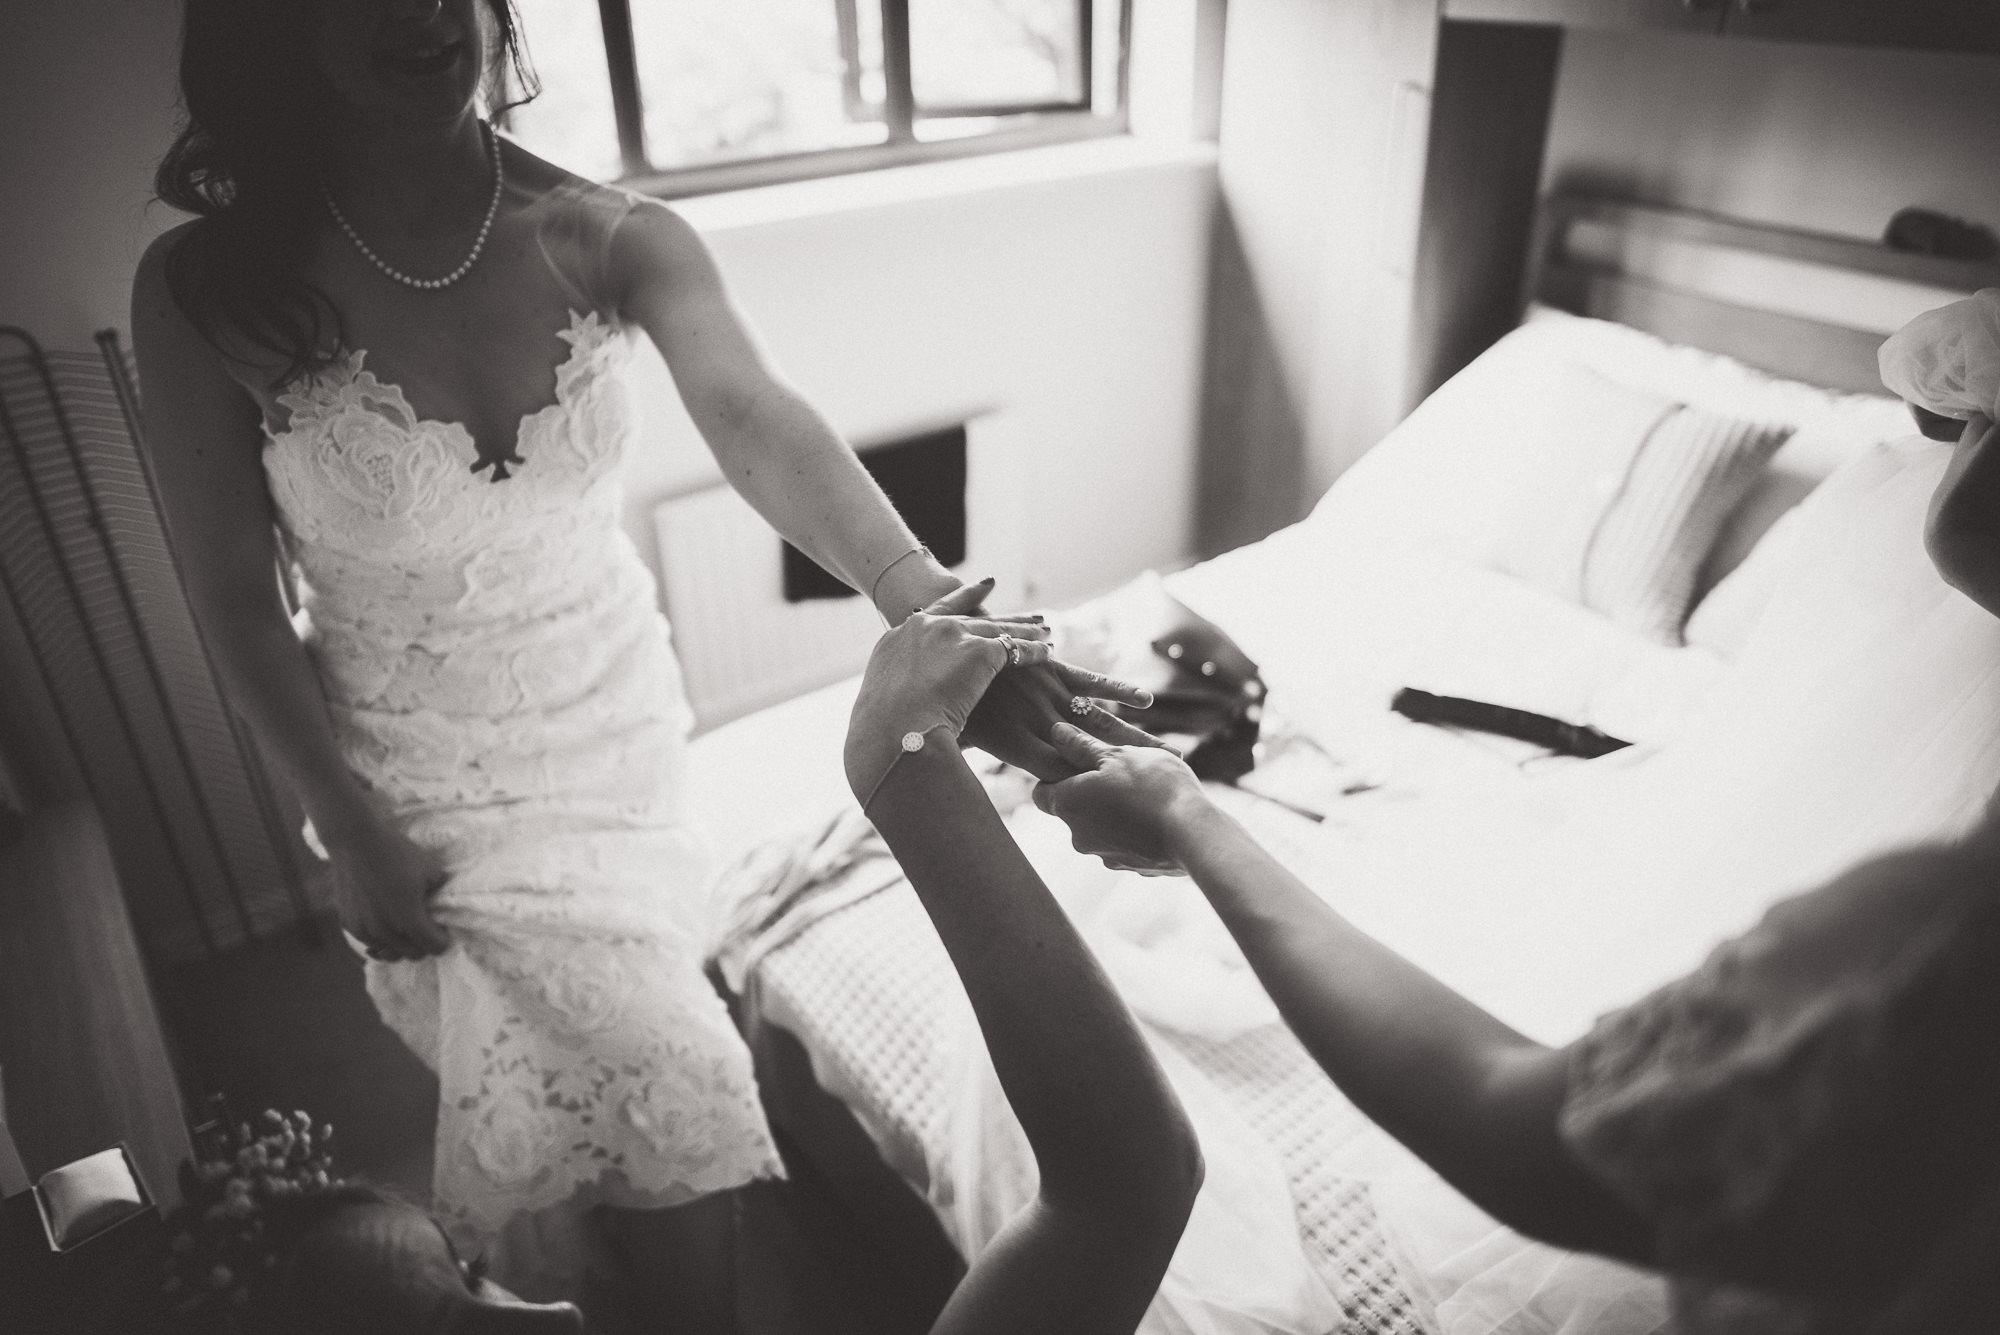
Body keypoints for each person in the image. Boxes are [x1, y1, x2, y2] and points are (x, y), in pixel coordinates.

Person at [130, 0, 1150, 1323]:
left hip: (613, 719)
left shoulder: (606, 235)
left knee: (616, 1073)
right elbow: (230, 594)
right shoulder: (208, 289)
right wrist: (343, 812)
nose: (421, 13)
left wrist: (934, 614)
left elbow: (759, 420)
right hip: (415, 773)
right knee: (665, 1062)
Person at [167, 599, 1200, 1335]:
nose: (569, 1312)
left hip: (591, 719)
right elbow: (1121, 1194)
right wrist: (897, 752)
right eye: (468, 1307)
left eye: (473, 1284)